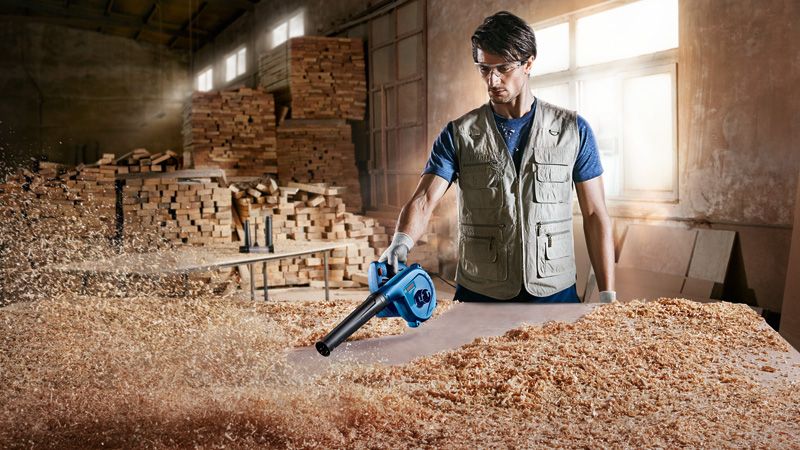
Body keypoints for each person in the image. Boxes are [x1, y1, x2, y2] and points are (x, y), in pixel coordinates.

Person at [379, 11, 616, 303]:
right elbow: (425, 199)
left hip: (553, 292)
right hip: (480, 292)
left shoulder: (573, 131)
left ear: (528, 62)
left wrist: (607, 293)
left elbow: (594, 214)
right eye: (483, 68)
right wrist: (401, 242)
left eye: (502, 67)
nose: (492, 79)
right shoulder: (459, 134)